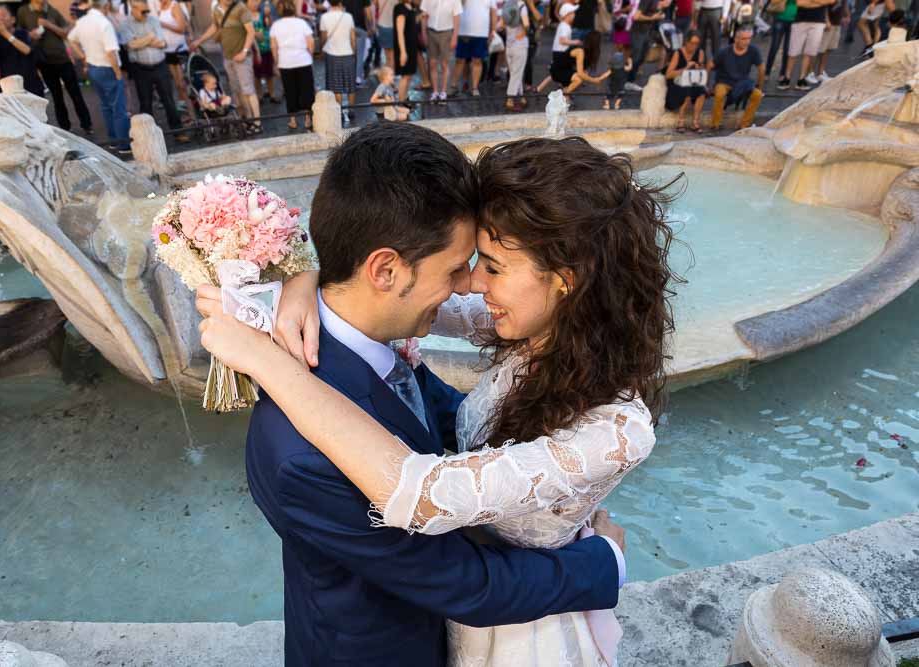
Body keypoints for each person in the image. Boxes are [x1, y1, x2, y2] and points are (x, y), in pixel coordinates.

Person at [197, 125, 677, 667]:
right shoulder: (301, 456)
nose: (470, 284)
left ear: (565, 281)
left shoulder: (438, 336)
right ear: (385, 269)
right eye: (459, 268)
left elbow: (451, 433)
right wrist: (604, 562)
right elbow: (458, 572)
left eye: (488, 266)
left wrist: (308, 280)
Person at [18, 0, 94, 135]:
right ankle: (65, 128)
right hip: (44, 61)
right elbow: (19, 33)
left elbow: (65, 33)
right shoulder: (23, 12)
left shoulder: (52, 10)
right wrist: (30, 35)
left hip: (62, 59)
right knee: (57, 96)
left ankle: (87, 124)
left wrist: (49, 25)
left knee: (76, 94)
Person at [119, 0, 190, 142]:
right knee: (145, 103)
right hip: (141, 68)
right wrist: (150, 38)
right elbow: (131, 45)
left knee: (169, 100)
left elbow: (162, 42)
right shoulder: (126, 24)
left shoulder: (153, 20)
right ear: (134, 9)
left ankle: (178, 131)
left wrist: (141, 41)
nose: (146, 14)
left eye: (147, 10)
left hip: (160, 65)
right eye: (143, 11)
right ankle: (149, 137)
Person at [190, 0, 263, 132]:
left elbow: (251, 32)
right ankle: (248, 119)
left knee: (248, 91)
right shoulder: (217, 9)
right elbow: (215, 27)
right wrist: (199, 41)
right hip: (228, 57)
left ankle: (257, 124)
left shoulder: (241, 8)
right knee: (238, 91)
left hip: (243, 57)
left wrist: (244, 52)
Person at [68, 0, 130, 153]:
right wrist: (118, 73)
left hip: (93, 67)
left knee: (106, 106)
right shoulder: (104, 23)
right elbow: (111, 52)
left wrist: (83, 57)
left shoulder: (82, 21)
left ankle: (114, 141)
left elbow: (71, 38)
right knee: (119, 108)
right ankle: (124, 144)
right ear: (106, 6)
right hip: (108, 68)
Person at [270, 0, 314, 129]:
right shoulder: (302, 23)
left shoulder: (276, 25)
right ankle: (307, 118)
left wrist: (276, 62)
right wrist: (309, 55)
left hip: (285, 62)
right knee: (307, 90)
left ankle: (293, 120)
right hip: (303, 60)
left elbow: (274, 46)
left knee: (290, 91)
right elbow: (310, 42)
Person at [710, 24, 763, 129]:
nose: (747, 41)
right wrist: (707, 84)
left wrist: (759, 86)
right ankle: (715, 124)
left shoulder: (753, 51)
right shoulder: (724, 51)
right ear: (736, 39)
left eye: (749, 38)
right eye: (744, 39)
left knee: (757, 95)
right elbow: (710, 65)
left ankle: (744, 124)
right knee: (719, 94)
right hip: (724, 82)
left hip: (742, 83)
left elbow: (761, 69)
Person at [0, 2, 44, 96]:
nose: (0, 19)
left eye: (3, 15)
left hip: (30, 81)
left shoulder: (22, 33)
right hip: (11, 86)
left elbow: (27, 50)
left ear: (13, 19)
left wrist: (4, 32)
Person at [782, 0, 833, 90]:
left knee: (809, 52)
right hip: (800, 21)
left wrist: (810, 2)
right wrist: (820, 2)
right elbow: (799, 3)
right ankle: (787, 77)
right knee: (793, 51)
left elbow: (830, 1)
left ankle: (801, 79)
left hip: (818, 22)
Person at [665, 28, 706, 131]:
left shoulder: (700, 52)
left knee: (702, 92)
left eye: (696, 43)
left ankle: (695, 121)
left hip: (691, 81)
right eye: (691, 43)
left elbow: (701, 69)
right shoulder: (678, 53)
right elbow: (668, 74)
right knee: (687, 91)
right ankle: (680, 121)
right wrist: (685, 68)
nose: (694, 46)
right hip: (676, 83)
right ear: (686, 42)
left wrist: (699, 67)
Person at [421, 0, 461, 103]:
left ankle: (443, 92)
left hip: (446, 32)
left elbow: (456, 17)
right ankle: (434, 91)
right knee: (432, 63)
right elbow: (424, 15)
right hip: (431, 32)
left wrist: (455, 37)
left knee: (444, 64)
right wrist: (423, 33)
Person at [451, 0, 494, 95]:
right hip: (463, 31)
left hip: (481, 32)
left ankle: (474, 88)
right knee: (460, 60)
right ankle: (453, 86)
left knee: (477, 60)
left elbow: (493, 11)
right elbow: (456, 7)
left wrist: (492, 31)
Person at [320, 0, 356, 111]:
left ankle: (339, 110)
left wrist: (322, 50)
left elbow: (323, 38)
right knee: (350, 84)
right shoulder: (348, 16)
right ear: (340, 3)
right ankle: (351, 110)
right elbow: (353, 38)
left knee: (336, 86)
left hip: (332, 55)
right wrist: (354, 53)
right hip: (347, 53)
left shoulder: (324, 17)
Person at [157, 0, 190, 114]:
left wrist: (163, 24)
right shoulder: (161, 7)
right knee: (176, 83)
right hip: (167, 50)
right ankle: (184, 109)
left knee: (183, 83)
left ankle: (191, 111)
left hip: (179, 49)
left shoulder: (174, 6)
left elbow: (182, 29)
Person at [624, 0, 664, 90]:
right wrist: (652, 18)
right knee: (636, 57)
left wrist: (659, 14)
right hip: (638, 32)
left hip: (646, 32)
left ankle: (627, 79)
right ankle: (627, 81)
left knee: (642, 56)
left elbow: (652, 11)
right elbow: (636, 16)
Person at [501, 0, 529, 110]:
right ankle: (510, 99)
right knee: (517, 73)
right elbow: (526, 24)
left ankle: (521, 97)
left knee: (515, 72)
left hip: (509, 45)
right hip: (520, 45)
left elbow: (501, 25)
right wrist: (523, 33)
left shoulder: (506, 5)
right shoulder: (522, 6)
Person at [250, 0, 278, 102]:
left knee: (269, 73)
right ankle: (259, 95)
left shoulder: (262, 14)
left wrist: (268, 16)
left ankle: (272, 94)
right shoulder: (245, 16)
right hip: (254, 48)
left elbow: (269, 25)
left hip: (266, 46)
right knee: (257, 74)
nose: (255, 3)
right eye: (252, 1)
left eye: (256, 1)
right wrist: (255, 34)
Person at [813, 0, 846, 80]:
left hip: (836, 22)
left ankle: (821, 72)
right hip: (828, 23)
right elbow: (824, 6)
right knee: (819, 50)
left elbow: (844, 4)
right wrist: (826, 20)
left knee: (828, 49)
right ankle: (810, 73)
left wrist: (846, 15)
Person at [393, 0, 418, 102]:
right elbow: (400, 32)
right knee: (405, 75)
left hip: (412, 46)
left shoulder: (410, 6)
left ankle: (404, 99)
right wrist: (403, 52)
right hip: (405, 47)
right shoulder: (400, 8)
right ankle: (400, 102)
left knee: (409, 75)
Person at [765, 0, 794, 85]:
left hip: (794, 20)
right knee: (774, 46)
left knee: (788, 49)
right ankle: (767, 71)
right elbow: (773, 1)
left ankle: (783, 73)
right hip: (780, 18)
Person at [343, 0, 372, 84]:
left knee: (351, 53)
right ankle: (358, 78)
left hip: (349, 28)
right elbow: (368, 12)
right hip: (361, 28)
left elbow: (343, 10)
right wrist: (370, 27)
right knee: (360, 54)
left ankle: (350, 76)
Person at [693, 0, 728, 65]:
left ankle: (716, 62)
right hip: (702, 9)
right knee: (700, 38)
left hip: (716, 9)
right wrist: (696, 9)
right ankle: (701, 61)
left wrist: (725, 14)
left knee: (716, 39)